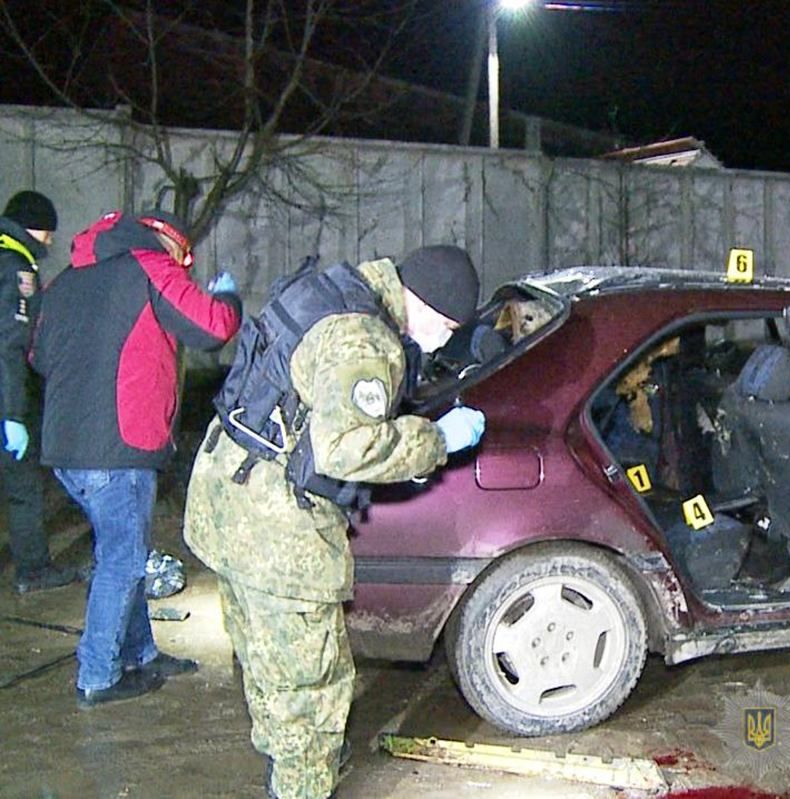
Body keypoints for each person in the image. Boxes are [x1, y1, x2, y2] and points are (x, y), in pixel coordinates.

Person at [183, 245, 487, 799]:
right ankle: (300, 784)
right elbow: (346, 450)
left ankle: (286, 760)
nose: (443, 341)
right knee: (314, 685)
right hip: (276, 533)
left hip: (227, 499)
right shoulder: (365, 339)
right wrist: (437, 440)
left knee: (267, 661)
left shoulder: (336, 289)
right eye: (443, 326)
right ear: (416, 301)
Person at [30, 208, 242, 708]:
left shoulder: (65, 282)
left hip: (66, 448)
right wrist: (227, 295)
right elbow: (212, 327)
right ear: (169, 243)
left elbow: (38, 356)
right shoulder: (149, 265)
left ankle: (140, 653)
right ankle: (98, 674)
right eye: (183, 257)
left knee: (124, 550)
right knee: (122, 563)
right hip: (118, 448)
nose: (184, 266)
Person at [0, 190, 83, 594]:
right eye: (47, 234)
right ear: (32, 227)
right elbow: (10, 346)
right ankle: (33, 570)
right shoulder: (16, 268)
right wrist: (13, 413)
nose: (49, 242)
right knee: (23, 489)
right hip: (6, 398)